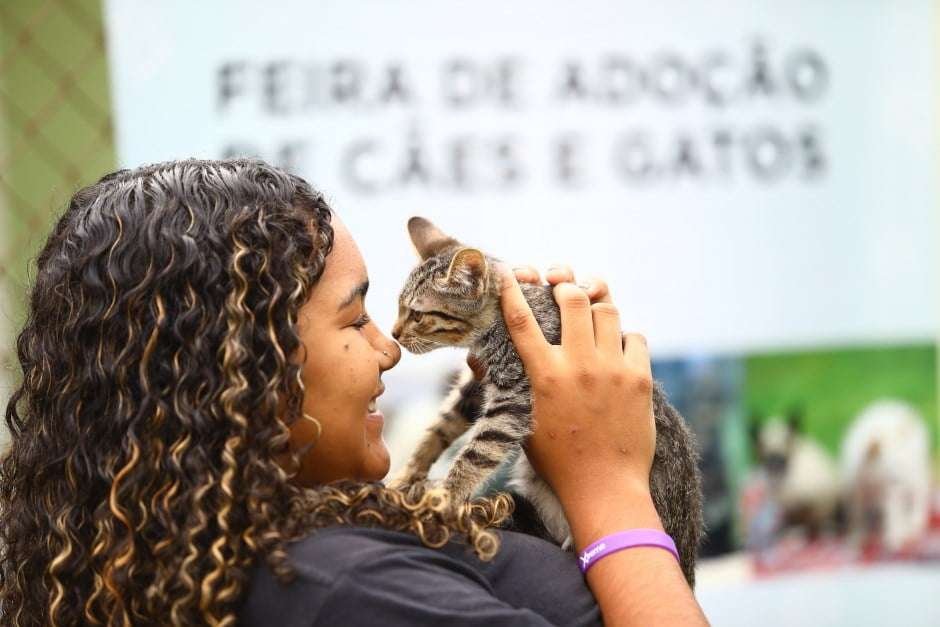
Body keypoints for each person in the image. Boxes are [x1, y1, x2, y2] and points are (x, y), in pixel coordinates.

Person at [0, 159, 708, 626]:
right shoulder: (349, 592)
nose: (389, 347)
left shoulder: (206, 548)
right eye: (355, 318)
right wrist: (609, 485)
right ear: (250, 364)